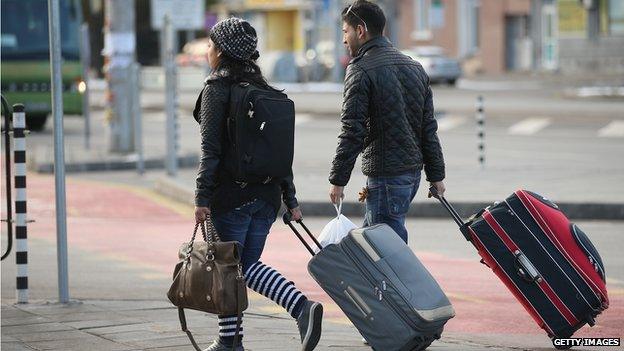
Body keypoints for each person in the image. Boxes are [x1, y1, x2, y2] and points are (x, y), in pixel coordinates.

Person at [193, 17, 323, 351]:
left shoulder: (217, 89)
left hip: (231, 196)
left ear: (221, 51)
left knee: (236, 269)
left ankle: (301, 308)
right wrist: (290, 199)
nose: (208, 51)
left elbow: (211, 150)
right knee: (236, 269)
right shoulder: (265, 91)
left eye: (210, 45)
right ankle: (230, 342)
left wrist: (201, 196)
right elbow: (282, 154)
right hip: (266, 198)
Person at [328, 1, 446, 243]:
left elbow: (353, 131)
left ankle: (400, 282)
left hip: (386, 177)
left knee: (385, 251)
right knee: (371, 243)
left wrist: (338, 180)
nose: (344, 39)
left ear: (360, 31)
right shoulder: (414, 67)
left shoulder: (360, 69)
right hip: (410, 175)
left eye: (345, 32)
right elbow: (428, 129)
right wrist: (436, 175)